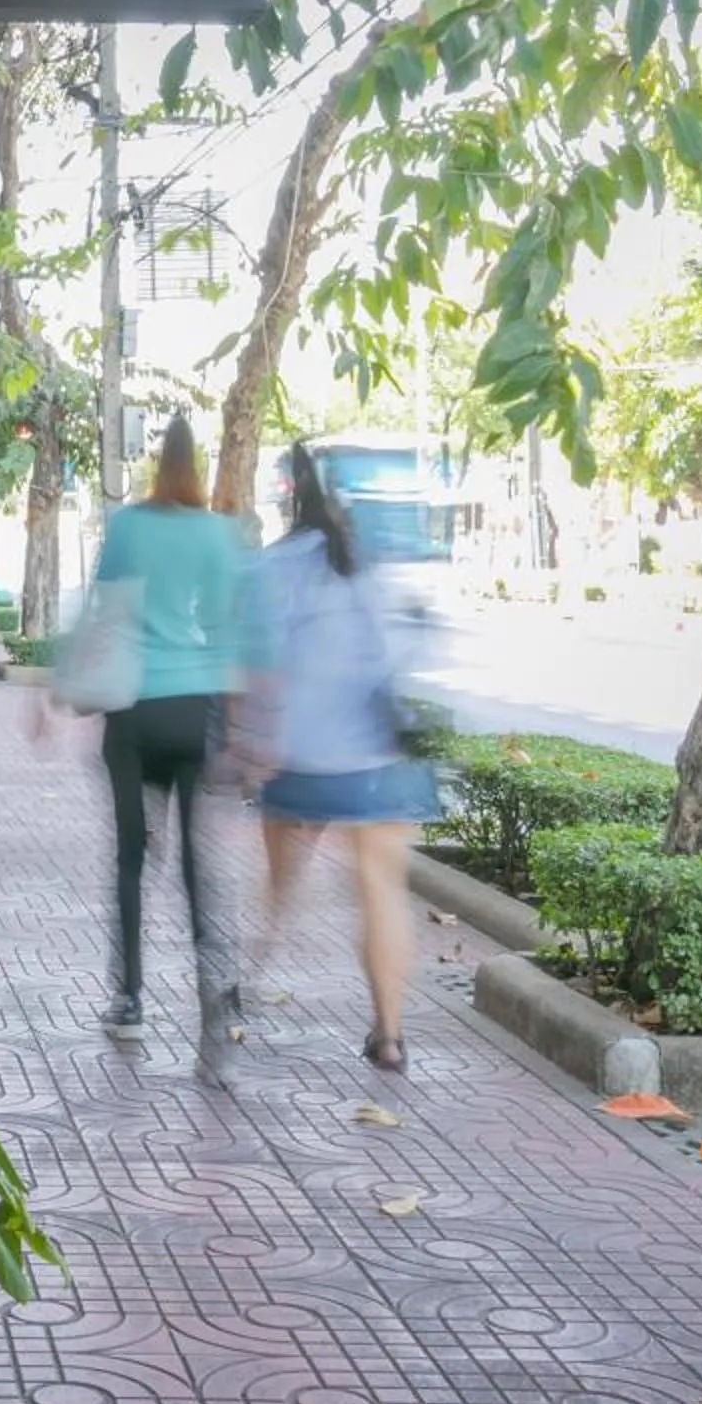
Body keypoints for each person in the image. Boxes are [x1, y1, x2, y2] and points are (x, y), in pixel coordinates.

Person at [237, 442, 439, 1072]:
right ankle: (389, 1032)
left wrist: (249, 745)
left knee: (279, 883)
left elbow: (256, 668)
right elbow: (407, 654)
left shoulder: (273, 568)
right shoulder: (373, 566)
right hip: (377, 761)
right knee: (382, 890)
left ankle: (246, 978)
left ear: (290, 499)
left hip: (298, 760)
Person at [85, 415, 246, 1079]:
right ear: (199, 467)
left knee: (130, 857)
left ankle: (129, 997)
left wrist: (64, 691)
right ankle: (218, 997)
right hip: (192, 710)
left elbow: (105, 614)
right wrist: (234, 728)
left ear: (157, 463)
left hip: (132, 710)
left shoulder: (127, 526)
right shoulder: (217, 534)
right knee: (197, 865)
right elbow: (225, 628)